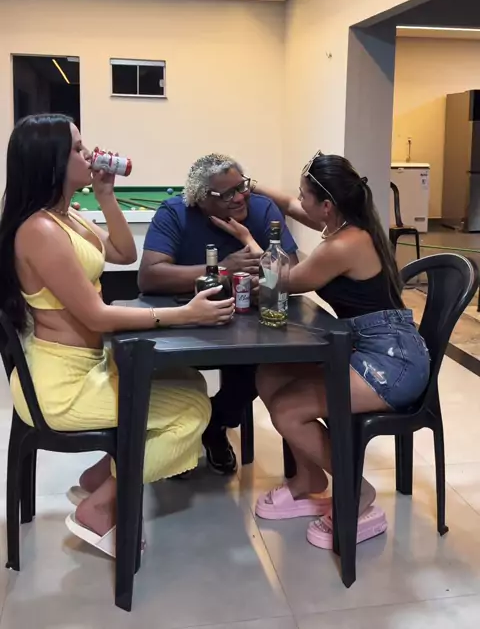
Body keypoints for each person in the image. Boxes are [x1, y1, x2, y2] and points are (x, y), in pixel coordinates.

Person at [0, 114, 234, 559]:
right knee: (191, 413)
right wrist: (184, 314)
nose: (89, 154)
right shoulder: (39, 231)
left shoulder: (67, 217)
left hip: (87, 365)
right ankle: (99, 504)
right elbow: (96, 316)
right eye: (77, 148)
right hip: (61, 386)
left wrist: (105, 195)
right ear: (51, 160)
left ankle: (99, 477)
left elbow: (125, 253)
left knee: (189, 381)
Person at [211, 151, 430, 548]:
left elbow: (282, 280)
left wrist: (245, 244)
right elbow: (289, 204)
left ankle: (355, 490)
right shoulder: (342, 221)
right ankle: (308, 478)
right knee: (270, 374)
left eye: (305, 194)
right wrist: (248, 185)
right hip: (366, 348)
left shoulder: (342, 245)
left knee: (288, 409)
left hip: (392, 364)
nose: (299, 200)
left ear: (326, 204)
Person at [138, 153, 298, 475]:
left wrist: (265, 282)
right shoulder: (175, 213)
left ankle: (214, 425)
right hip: (185, 321)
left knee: (262, 367)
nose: (239, 197)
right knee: (166, 371)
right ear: (200, 198)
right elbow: (150, 276)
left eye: (242, 186)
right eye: (227, 194)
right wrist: (221, 269)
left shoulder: (263, 210)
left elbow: (291, 270)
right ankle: (178, 433)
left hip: (246, 323)